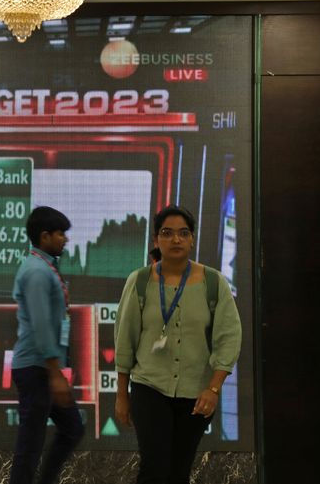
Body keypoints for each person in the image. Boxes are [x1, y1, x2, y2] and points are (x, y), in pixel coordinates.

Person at [113, 205, 242, 484]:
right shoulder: (139, 281)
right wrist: (122, 394)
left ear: (192, 238)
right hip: (150, 386)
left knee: (178, 471)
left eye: (183, 233)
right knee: (154, 468)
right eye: (167, 233)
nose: (176, 240)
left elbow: (228, 337)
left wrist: (214, 388)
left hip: (196, 393)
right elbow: (125, 341)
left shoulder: (213, 281)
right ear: (156, 239)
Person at [9, 206, 84, 484]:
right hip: (35, 368)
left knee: (72, 428)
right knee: (30, 445)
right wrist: (55, 374)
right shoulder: (37, 272)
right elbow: (41, 324)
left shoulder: (45, 267)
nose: (65, 239)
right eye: (60, 234)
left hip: (42, 368)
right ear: (44, 236)